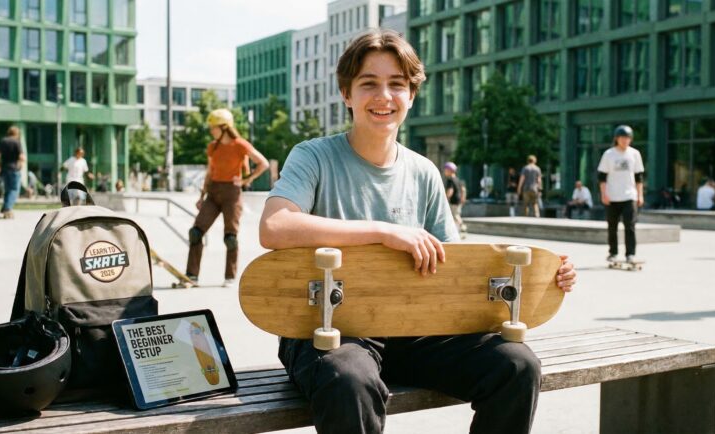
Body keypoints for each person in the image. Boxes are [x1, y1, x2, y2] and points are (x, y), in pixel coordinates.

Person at [259, 29, 577, 434]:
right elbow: (274, 226)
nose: (384, 96)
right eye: (369, 84)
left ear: (411, 95)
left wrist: (549, 278)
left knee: (517, 364)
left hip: (413, 327)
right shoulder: (313, 156)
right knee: (349, 378)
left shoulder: (424, 171)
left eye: (397, 84)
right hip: (329, 328)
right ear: (346, 93)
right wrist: (384, 232)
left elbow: (455, 267)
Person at [186, 108, 269, 287]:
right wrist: (202, 195)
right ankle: (192, 276)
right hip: (213, 193)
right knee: (195, 233)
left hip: (232, 194)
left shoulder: (240, 145)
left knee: (230, 238)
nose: (211, 131)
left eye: (213, 127)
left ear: (224, 127)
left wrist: (247, 179)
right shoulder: (212, 147)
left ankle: (230, 277)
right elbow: (209, 172)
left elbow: (263, 163)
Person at [598, 125, 644, 264]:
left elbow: (639, 177)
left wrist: (640, 195)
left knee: (630, 226)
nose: (625, 141)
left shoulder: (634, 154)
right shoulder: (609, 154)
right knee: (612, 226)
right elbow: (602, 176)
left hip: (630, 195)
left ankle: (630, 254)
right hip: (612, 196)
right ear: (617, 139)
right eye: (622, 138)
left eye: (628, 138)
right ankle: (613, 253)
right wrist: (604, 194)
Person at [0, 126, 25, 219]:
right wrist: (21, 164)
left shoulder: (3, 141)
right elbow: (22, 157)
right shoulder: (17, 142)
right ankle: (7, 208)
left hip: (5, 168)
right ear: (17, 134)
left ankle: (4, 209)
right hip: (14, 169)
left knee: (7, 190)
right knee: (14, 190)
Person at [443, 162, 467, 236]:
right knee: (455, 215)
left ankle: (462, 226)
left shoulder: (450, 180)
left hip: (453, 201)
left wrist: (445, 199)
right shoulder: (458, 180)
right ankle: (457, 231)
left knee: (455, 215)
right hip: (458, 200)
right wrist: (463, 198)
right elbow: (463, 190)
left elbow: (450, 191)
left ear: (450, 171)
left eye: (445, 170)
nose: (444, 172)